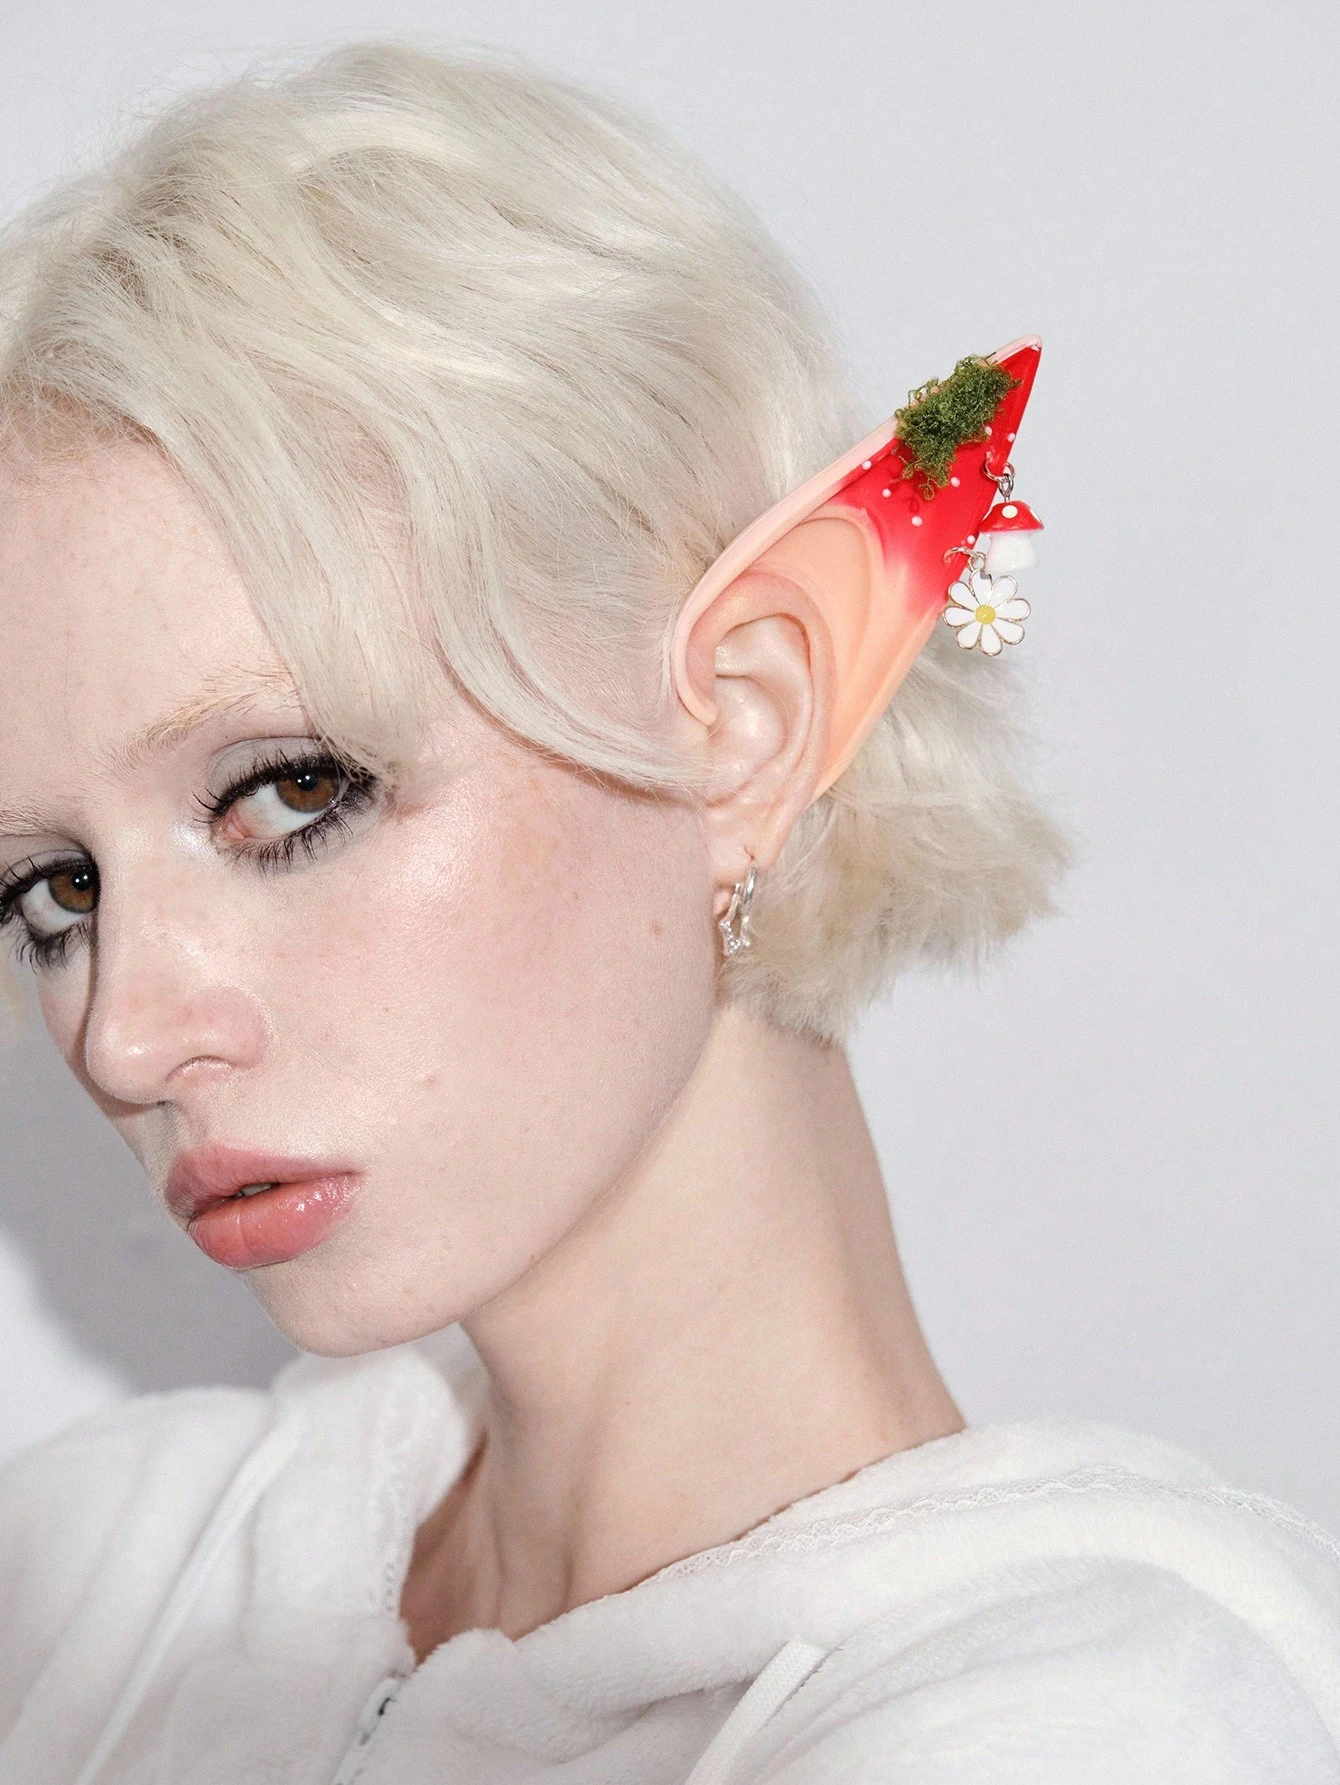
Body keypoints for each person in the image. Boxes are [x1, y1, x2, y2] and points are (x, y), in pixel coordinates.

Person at [0, 40, 1336, 1785]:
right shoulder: (96, 1576)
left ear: (745, 729)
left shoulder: (1085, 1729)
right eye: (55, 891)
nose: (122, 1032)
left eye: (293, 793)